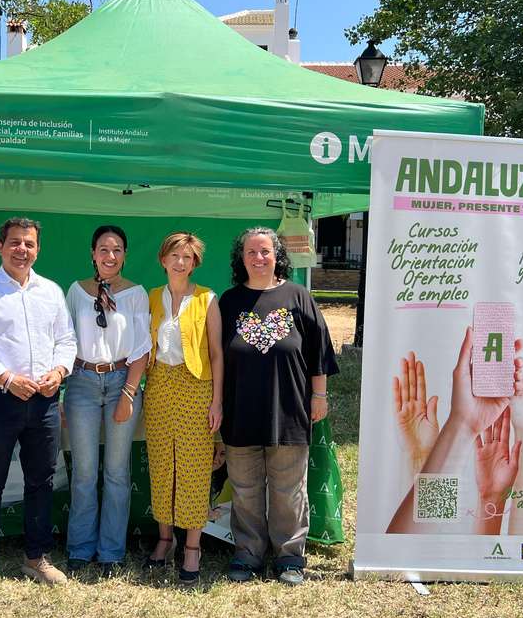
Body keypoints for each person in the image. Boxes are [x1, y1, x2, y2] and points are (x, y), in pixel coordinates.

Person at [0, 217, 76, 596]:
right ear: (0, 246)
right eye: (14, 242)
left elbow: (66, 340)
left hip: (43, 400)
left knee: (41, 481)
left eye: (29, 244)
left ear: (37, 249)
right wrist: (8, 379)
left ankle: (36, 557)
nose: (21, 250)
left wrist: (59, 371)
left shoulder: (51, 292)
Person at [218, 228, 338, 586]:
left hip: (289, 409)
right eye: (251, 252)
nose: (259, 258)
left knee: (288, 489)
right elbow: (216, 357)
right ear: (241, 259)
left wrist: (319, 396)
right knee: (245, 489)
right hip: (240, 409)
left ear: (277, 256)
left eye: (265, 252)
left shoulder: (298, 296)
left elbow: (319, 351)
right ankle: (248, 552)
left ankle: (289, 556)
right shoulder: (229, 301)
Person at [64, 225, 150, 574]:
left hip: (121, 380)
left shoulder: (136, 294)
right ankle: (80, 548)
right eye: (103, 249)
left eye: (116, 250)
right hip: (82, 381)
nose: (110, 256)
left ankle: (111, 551)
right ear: (93, 254)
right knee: (84, 472)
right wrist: (62, 389)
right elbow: (64, 340)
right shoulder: (76, 291)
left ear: (125, 255)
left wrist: (129, 392)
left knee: (116, 471)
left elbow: (142, 348)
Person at [142, 232, 223, 583]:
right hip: (159, 385)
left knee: (193, 468)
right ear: (163, 260)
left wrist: (217, 401)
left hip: (196, 387)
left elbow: (217, 354)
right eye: (174, 255)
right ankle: (165, 539)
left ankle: (192, 547)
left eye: (187, 257)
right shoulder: (151, 297)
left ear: (194, 264)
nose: (180, 262)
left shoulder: (207, 298)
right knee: (162, 465)